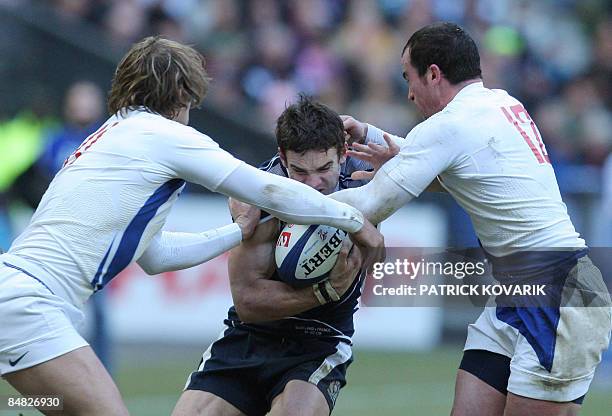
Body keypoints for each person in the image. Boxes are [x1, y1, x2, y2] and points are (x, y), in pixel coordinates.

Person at [0, 37, 383, 416]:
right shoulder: (166, 137)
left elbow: (155, 255)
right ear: (183, 94)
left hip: (16, 296)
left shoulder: (114, 133)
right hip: (31, 305)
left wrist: (237, 232)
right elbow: (267, 189)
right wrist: (353, 220)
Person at [334, 22, 611, 416]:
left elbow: (368, 204)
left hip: (557, 294)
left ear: (433, 74)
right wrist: (372, 135)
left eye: (408, 79)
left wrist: (280, 197)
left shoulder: (451, 126)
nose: (409, 93)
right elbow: (454, 165)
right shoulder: (500, 103)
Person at [173, 96, 388, 416]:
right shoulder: (259, 199)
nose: (314, 184)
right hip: (250, 336)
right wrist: (324, 290)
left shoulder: (369, 180)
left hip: (319, 341)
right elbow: (248, 302)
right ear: (282, 159)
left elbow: (377, 258)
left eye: (324, 169)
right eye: (300, 171)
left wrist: (370, 133)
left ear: (342, 155)